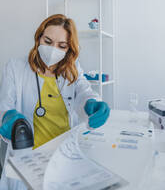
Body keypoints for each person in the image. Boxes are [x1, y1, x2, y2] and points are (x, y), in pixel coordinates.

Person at [0, 14, 110, 190]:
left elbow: (84, 91)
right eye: (48, 41)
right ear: (39, 38)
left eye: (61, 45)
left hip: (64, 155)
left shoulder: (72, 69)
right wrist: (7, 117)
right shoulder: (15, 67)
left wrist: (91, 102)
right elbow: (5, 107)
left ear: (69, 48)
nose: (53, 49)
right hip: (29, 156)